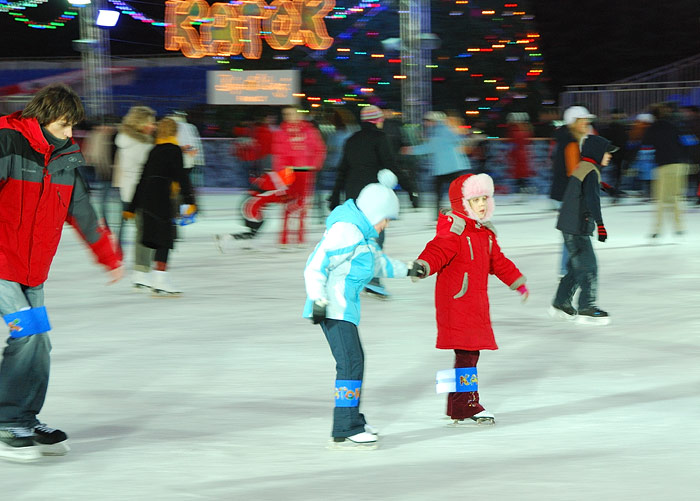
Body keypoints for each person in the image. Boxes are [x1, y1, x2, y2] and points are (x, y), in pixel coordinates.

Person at [0, 83, 123, 462]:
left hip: (32, 269)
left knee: (41, 344)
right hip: (2, 263)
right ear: (42, 117)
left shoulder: (66, 157)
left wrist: (108, 256)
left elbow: (82, 210)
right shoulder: (8, 142)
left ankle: (24, 417)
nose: (71, 133)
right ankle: (7, 422)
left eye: (73, 126)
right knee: (29, 335)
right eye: (64, 125)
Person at [410, 173, 528, 426]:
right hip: (457, 302)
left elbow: (499, 262)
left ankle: (456, 405)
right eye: (476, 199)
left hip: (473, 303)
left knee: (466, 355)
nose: (483, 204)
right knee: (467, 355)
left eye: (485, 198)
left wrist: (517, 282)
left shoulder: (484, 233)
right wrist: (423, 265)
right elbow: (437, 249)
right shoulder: (455, 230)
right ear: (462, 202)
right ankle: (467, 404)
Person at [303, 180, 411, 449]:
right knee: (350, 364)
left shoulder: (363, 237)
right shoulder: (346, 232)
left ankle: (352, 420)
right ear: (374, 212)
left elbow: (379, 264)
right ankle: (346, 426)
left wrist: (410, 269)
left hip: (344, 309)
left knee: (354, 362)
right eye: (385, 218)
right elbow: (316, 263)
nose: (386, 224)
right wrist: (318, 298)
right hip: (332, 308)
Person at [328, 105, 402, 298]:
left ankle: (346, 276)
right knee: (376, 235)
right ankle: (372, 279)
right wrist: (411, 189)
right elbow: (391, 165)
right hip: (374, 196)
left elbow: (342, 169)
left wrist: (335, 196)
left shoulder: (351, 140)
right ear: (378, 120)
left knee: (355, 235)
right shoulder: (380, 138)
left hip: (354, 195)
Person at [124, 118, 196, 295]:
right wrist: (190, 200)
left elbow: (142, 179)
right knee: (165, 238)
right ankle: (160, 279)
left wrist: (132, 207)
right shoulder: (173, 149)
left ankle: (153, 276)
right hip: (162, 197)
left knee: (155, 237)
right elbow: (181, 176)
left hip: (148, 198)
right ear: (174, 132)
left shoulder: (154, 150)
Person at [551, 135, 617, 325]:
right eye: (607, 152)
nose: (609, 156)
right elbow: (591, 200)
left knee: (575, 267)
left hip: (569, 224)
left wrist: (606, 187)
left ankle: (561, 302)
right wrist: (601, 226)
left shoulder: (583, 166)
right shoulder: (591, 171)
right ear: (597, 153)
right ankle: (587, 306)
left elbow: (585, 188)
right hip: (577, 227)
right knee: (588, 267)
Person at [112, 106, 156, 287]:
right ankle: (140, 272)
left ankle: (141, 271)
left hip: (132, 192)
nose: (153, 126)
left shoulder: (130, 141)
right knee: (146, 232)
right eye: (150, 123)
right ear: (141, 124)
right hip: (141, 193)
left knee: (145, 231)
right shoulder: (139, 145)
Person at [549, 105, 596, 276]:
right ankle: (568, 268)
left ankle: (568, 267)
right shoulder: (570, 142)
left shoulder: (570, 139)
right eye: (584, 120)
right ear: (574, 122)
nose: (587, 123)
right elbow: (574, 171)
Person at [272, 105, 326, 247]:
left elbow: (319, 149)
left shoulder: (309, 131)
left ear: (298, 115)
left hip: (304, 171)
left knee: (302, 203)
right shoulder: (281, 133)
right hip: (288, 172)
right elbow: (278, 153)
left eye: (291, 114)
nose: (288, 117)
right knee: (287, 204)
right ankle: (284, 236)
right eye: (286, 114)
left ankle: (300, 235)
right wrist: (280, 172)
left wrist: (314, 165)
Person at [402, 111, 471, 220]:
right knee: (452, 193)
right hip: (448, 168)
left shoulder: (440, 131)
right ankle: (458, 213)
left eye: (427, 121)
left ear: (433, 121)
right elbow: (458, 140)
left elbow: (430, 147)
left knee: (443, 194)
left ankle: (449, 214)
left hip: (448, 168)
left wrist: (412, 150)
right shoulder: (440, 130)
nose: (425, 123)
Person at [642, 103, 689, 238]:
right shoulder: (675, 125)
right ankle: (679, 226)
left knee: (661, 199)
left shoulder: (653, 128)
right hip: (679, 164)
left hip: (663, 165)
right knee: (676, 196)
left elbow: (646, 143)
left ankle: (657, 229)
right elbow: (686, 143)